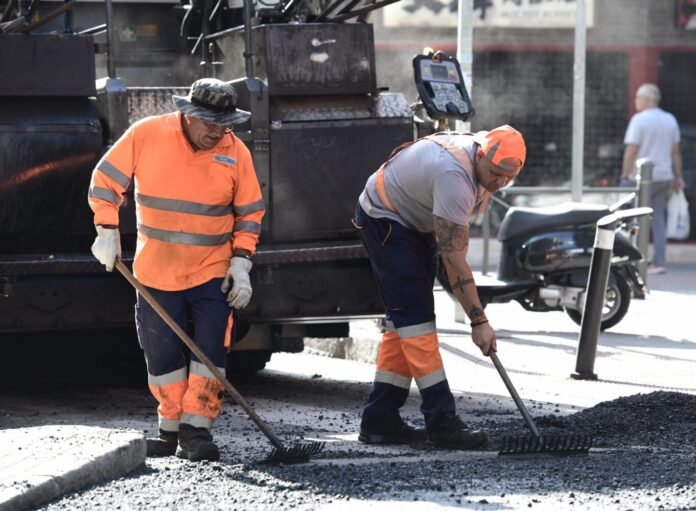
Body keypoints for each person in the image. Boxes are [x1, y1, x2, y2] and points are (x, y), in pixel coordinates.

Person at [88, 78, 265, 462]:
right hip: (156, 271)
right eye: (210, 123)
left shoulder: (235, 151)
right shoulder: (147, 135)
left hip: (212, 270)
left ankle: (196, 431)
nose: (218, 132)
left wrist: (241, 261)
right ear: (188, 114)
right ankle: (169, 431)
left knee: (210, 351)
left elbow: (250, 212)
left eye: (225, 124)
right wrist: (106, 228)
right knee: (161, 354)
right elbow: (105, 180)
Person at [353, 125, 526, 449]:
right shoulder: (453, 175)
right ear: (480, 154)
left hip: (416, 221)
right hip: (385, 217)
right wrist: (478, 321)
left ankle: (380, 418)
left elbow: (454, 251)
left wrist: (471, 306)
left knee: (404, 322)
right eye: (495, 174)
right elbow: (454, 259)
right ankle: (441, 420)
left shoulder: (483, 166)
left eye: (509, 178)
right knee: (416, 321)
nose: (499, 183)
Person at [621, 83, 684, 275]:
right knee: (658, 220)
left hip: (640, 178)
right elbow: (675, 151)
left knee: (634, 218)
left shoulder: (639, 120)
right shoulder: (670, 119)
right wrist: (678, 176)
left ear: (648, 99)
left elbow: (632, 149)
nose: (635, 101)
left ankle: (633, 259)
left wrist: (625, 174)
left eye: (638, 97)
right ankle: (659, 261)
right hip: (664, 175)